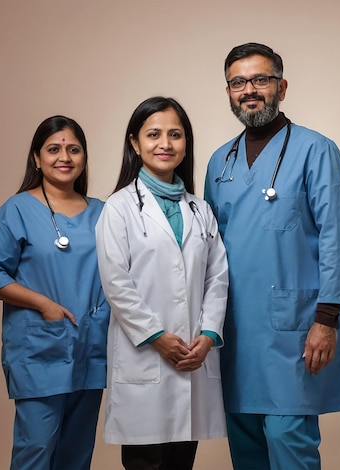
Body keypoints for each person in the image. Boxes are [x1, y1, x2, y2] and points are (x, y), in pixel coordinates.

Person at [204, 42, 340, 470]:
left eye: (260, 79)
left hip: (296, 329)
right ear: (229, 91)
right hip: (233, 329)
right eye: (238, 82)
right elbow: (208, 251)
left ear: (281, 86)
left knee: (289, 441)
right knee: (246, 446)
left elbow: (337, 239)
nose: (249, 89)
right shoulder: (220, 162)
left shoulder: (316, 150)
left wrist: (326, 319)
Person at [96, 96, 229, 470]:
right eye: (153, 134)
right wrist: (156, 336)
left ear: (185, 143)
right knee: (145, 462)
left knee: (180, 462)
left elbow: (217, 278)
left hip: (193, 354)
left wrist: (208, 334)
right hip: (145, 356)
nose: (165, 144)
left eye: (175, 134)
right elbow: (116, 285)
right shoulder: (118, 208)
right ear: (135, 144)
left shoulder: (200, 210)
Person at [0, 116, 109, 470]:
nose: (64, 157)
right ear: (37, 158)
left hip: (92, 349)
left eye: (73, 149)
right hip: (40, 351)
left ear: (83, 158)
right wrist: (43, 303)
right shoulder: (17, 209)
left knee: (77, 455)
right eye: (53, 149)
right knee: (36, 450)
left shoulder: (103, 213)